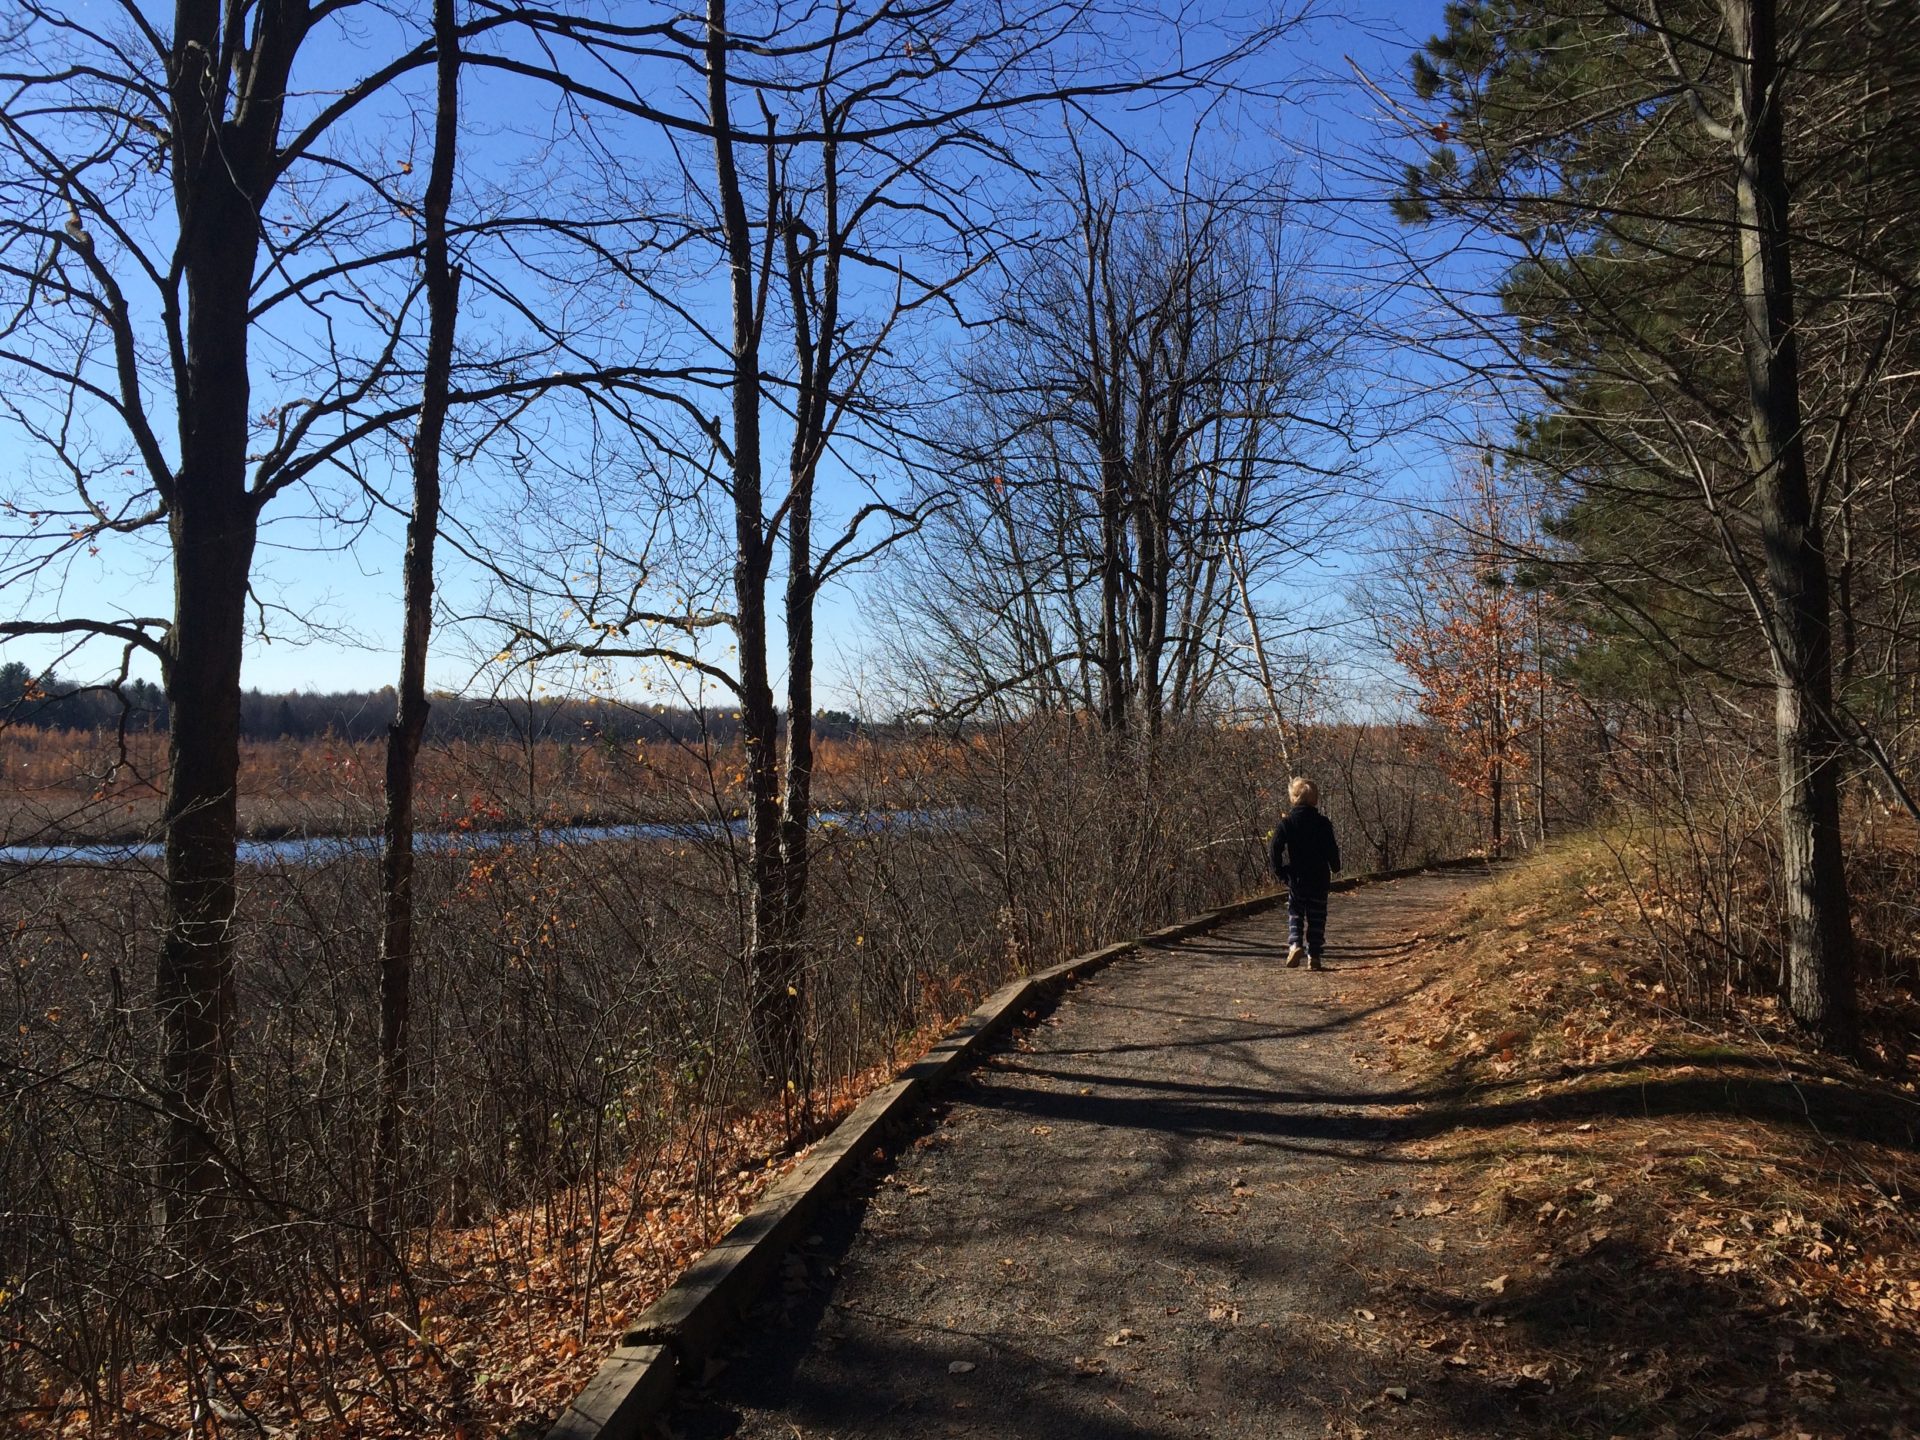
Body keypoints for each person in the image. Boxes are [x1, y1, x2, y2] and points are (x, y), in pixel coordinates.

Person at [1269, 777, 1341, 970]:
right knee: (1317, 917)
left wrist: (1280, 871)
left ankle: (1295, 944)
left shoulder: (1287, 823)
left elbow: (1274, 848)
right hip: (1319, 878)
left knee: (1296, 914)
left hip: (1297, 878)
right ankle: (1314, 955)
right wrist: (1336, 866)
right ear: (1314, 799)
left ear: (1293, 798)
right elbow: (1331, 848)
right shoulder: (1323, 823)